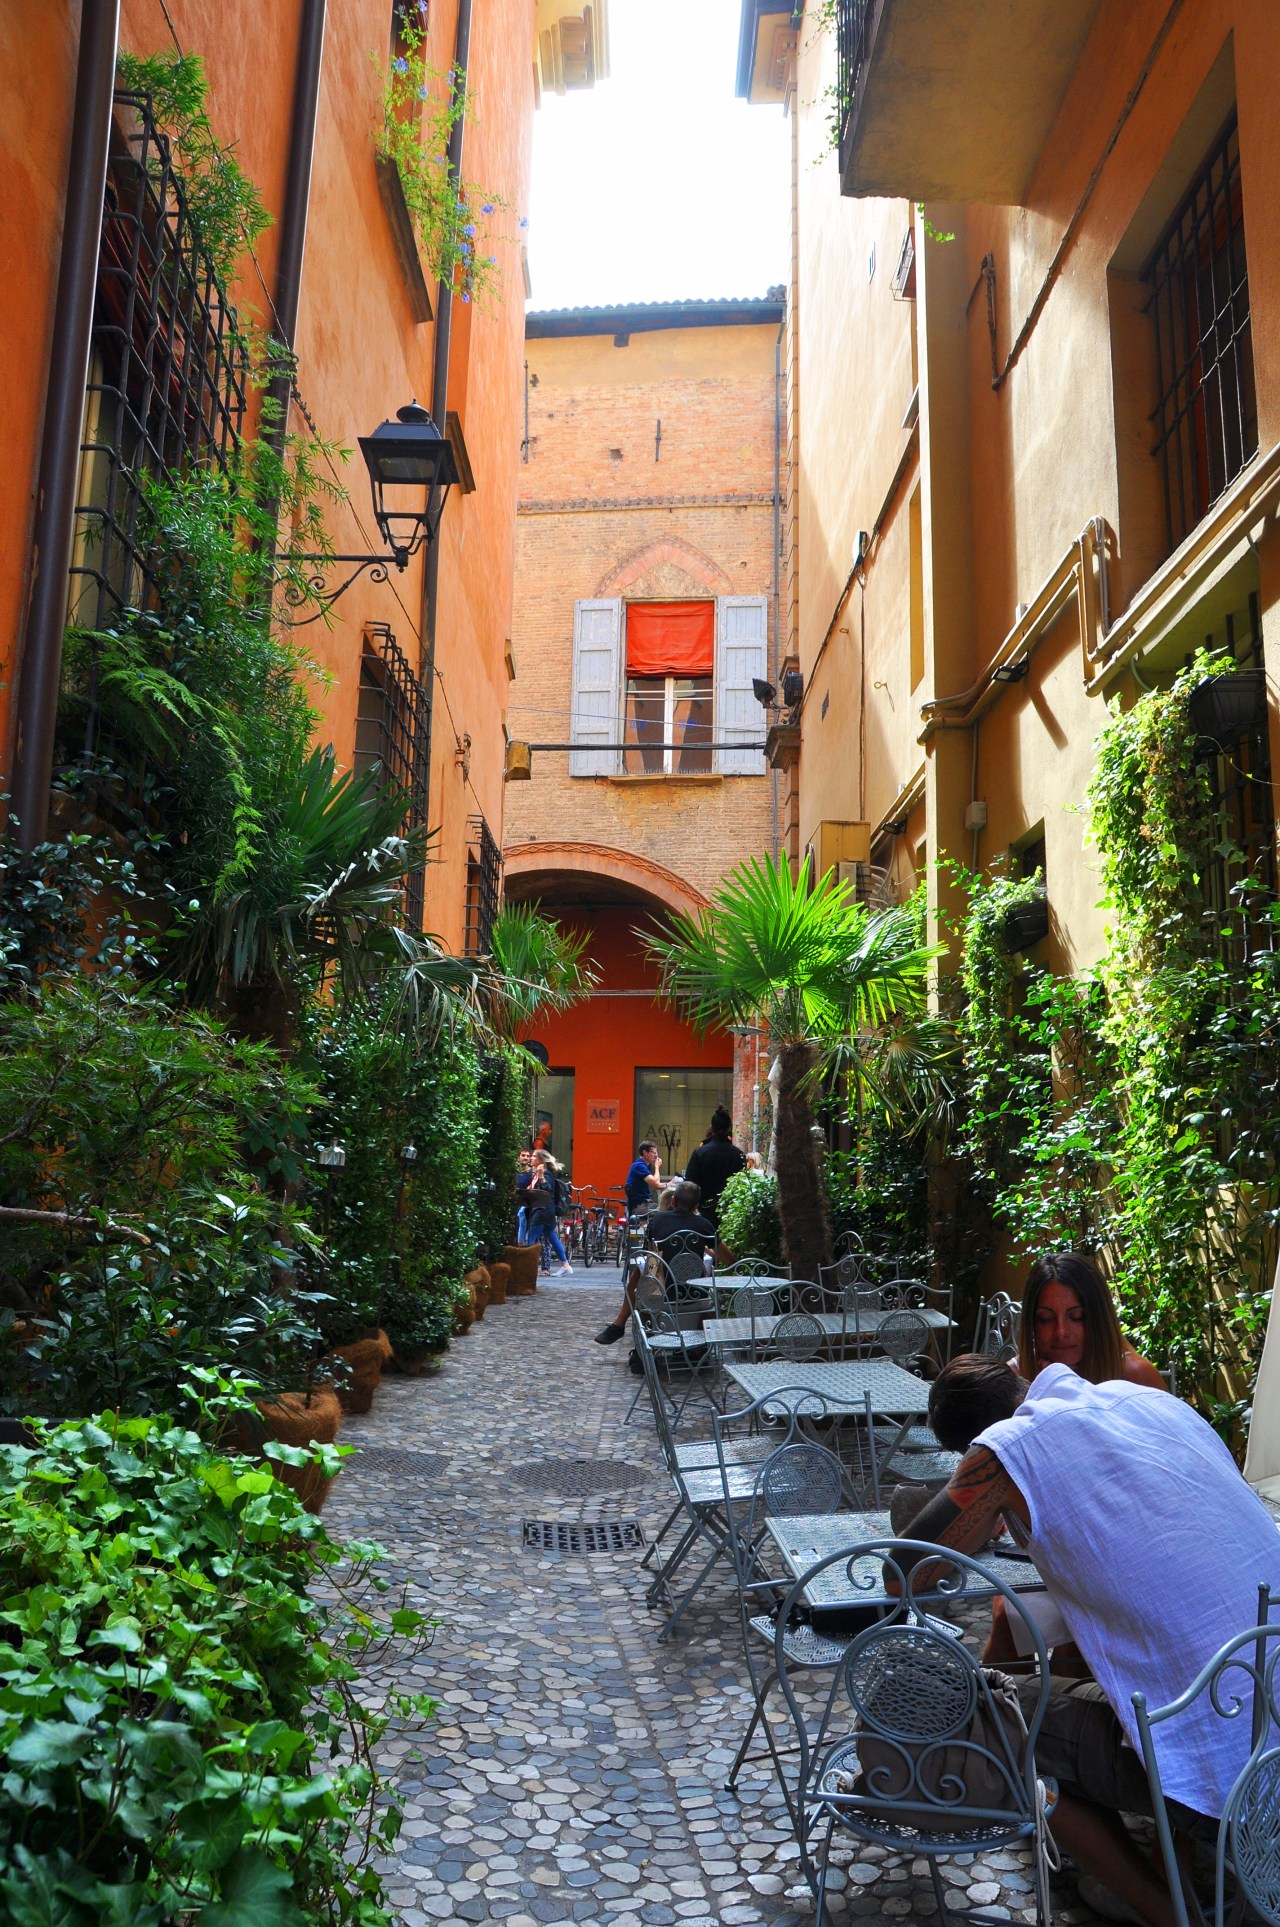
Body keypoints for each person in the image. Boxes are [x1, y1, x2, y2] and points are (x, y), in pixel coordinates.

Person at [894, 1353, 1280, 1927]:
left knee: (981, 1716)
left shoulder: (1007, 1449)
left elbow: (903, 1572)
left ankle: (1169, 1914)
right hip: (1263, 1716)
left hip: (1227, 1775)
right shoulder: (1150, 1402)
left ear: (972, 1443)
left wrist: (984, 1505)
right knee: (1120, 1680)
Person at [1017, 1252, 1164, 1390]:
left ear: (1100, 1320)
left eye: (1077, 1316)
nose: (1061, 1332)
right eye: (1045, 1319)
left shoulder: (1136, 1376)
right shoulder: (1014, 1378)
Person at [593, 1180, 714, 1347]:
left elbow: (650, 1255)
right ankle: (699, 1347)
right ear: (696, 1206)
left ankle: (639, 1339)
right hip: (697, 1297)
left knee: (642, 1284)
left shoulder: (658, 1220)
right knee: (711, 1293)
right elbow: (726, 1258)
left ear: (673, 1201)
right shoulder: (705, 1225)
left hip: (663, 1298)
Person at [682, 1105, 745, 1228]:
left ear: (712, 1128)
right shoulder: (738, 1154)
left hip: (704, 1211)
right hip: (731, 1212)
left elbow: (690, 1182)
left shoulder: (700, 1153)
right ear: (729, 1128)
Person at [527, 1150, 571, 1277]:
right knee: (551, 1236)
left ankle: (528, 1267)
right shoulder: (538, 1173)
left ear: (541, 1160)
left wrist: (541, 1176)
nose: (531, 1158)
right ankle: (565, 1265)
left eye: (534, 1156)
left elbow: (547, 1191)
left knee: (531, 1239)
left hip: (542, 1211)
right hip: (544, 1211)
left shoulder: (546, 1174)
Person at [623, 1141, 662, 1216]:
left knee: (659, 1208)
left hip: (643, 1203)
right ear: (645, 1153)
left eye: (656, 1153)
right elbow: (655, 1184)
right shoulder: (639, 1166)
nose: (656, 1155)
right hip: (640, 1206)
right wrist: (657, 1167)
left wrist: (669, 1184)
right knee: (664, 1212)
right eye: (653, 1152)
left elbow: (655, 1183)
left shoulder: (641, 1165)